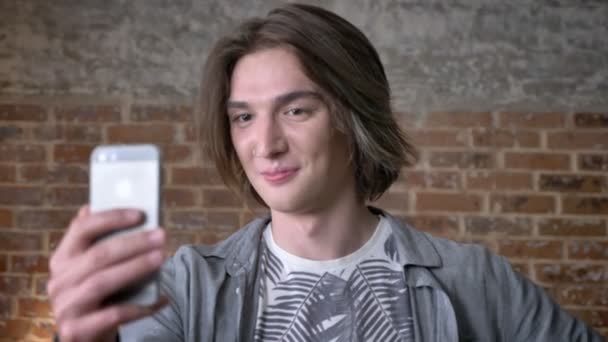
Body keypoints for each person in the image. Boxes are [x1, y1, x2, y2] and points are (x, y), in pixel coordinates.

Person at [48, 3, 602, 341]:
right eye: (243, 117)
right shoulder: (187, 288)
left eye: (295, 110)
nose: (264, 144)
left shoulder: (476, 281)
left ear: (351, 118)